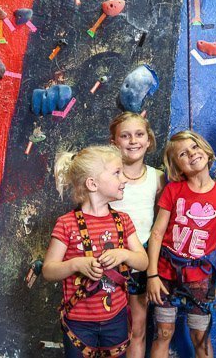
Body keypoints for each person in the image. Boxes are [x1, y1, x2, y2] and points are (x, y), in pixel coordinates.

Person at [43, 145, 149, 358]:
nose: (124, 179)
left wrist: (124, 254)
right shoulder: (66, 224)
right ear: (92, 184)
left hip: (116, 319)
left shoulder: (123, 221)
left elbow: (143, 261)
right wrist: (75, 264)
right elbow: (48, 270)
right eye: (117, 173)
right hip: (79, 323)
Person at [147, 131, 216, 358]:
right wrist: (152, 275)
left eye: (195, 148)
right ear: (177, 167)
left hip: (200, 278)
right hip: (166, 274)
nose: (192, 154)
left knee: (200, 337)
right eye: (183, 154)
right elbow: (157, 233)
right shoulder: (173, 190)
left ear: (206, 150)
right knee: (163, 333)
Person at [109, 112, 165, 358]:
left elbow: (158, 227)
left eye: (139, 134)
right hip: (107, 261)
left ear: (149, 140)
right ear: (114, 142)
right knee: (107, 328)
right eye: (125, 135)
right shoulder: (108, 176)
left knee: (137, 328)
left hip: (140, 262)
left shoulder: (157, 177)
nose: (133, 141)